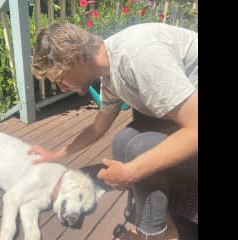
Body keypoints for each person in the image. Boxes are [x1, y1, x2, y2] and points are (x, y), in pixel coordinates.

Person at [29, 22, 198, 240]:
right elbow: (98, 127)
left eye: (60, 79)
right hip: (186, 119)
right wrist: (56, 155)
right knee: (122, 140)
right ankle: (161, 229)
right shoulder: (110, 72)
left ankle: (159, 235)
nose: (62, 87)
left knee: (139, 147)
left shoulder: (140, 57)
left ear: (77, 58)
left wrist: (131, 172)